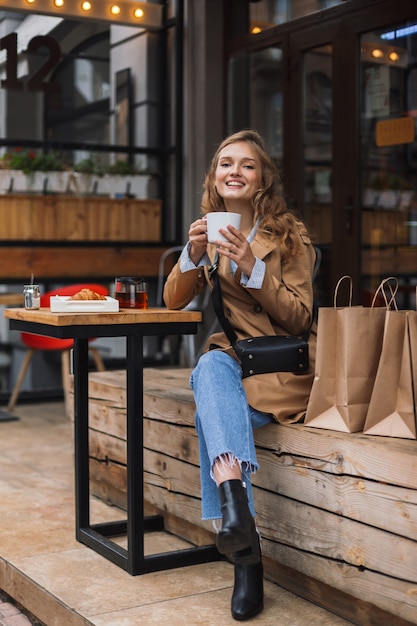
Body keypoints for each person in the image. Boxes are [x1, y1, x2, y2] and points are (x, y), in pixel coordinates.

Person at [163, 129, 317, 621]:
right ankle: (242, 529)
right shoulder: (210, 234)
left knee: (213, 410)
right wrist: (191, 253)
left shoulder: (291, 237)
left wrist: (252, 266)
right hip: (233, 366)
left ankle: (242, 547)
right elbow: (172, 301)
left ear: (262, 180)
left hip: (280, 369)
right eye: (225, 163)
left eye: (247, 165)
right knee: (210, 365)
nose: (234, 171)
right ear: (214, 178)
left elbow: (299, 318)